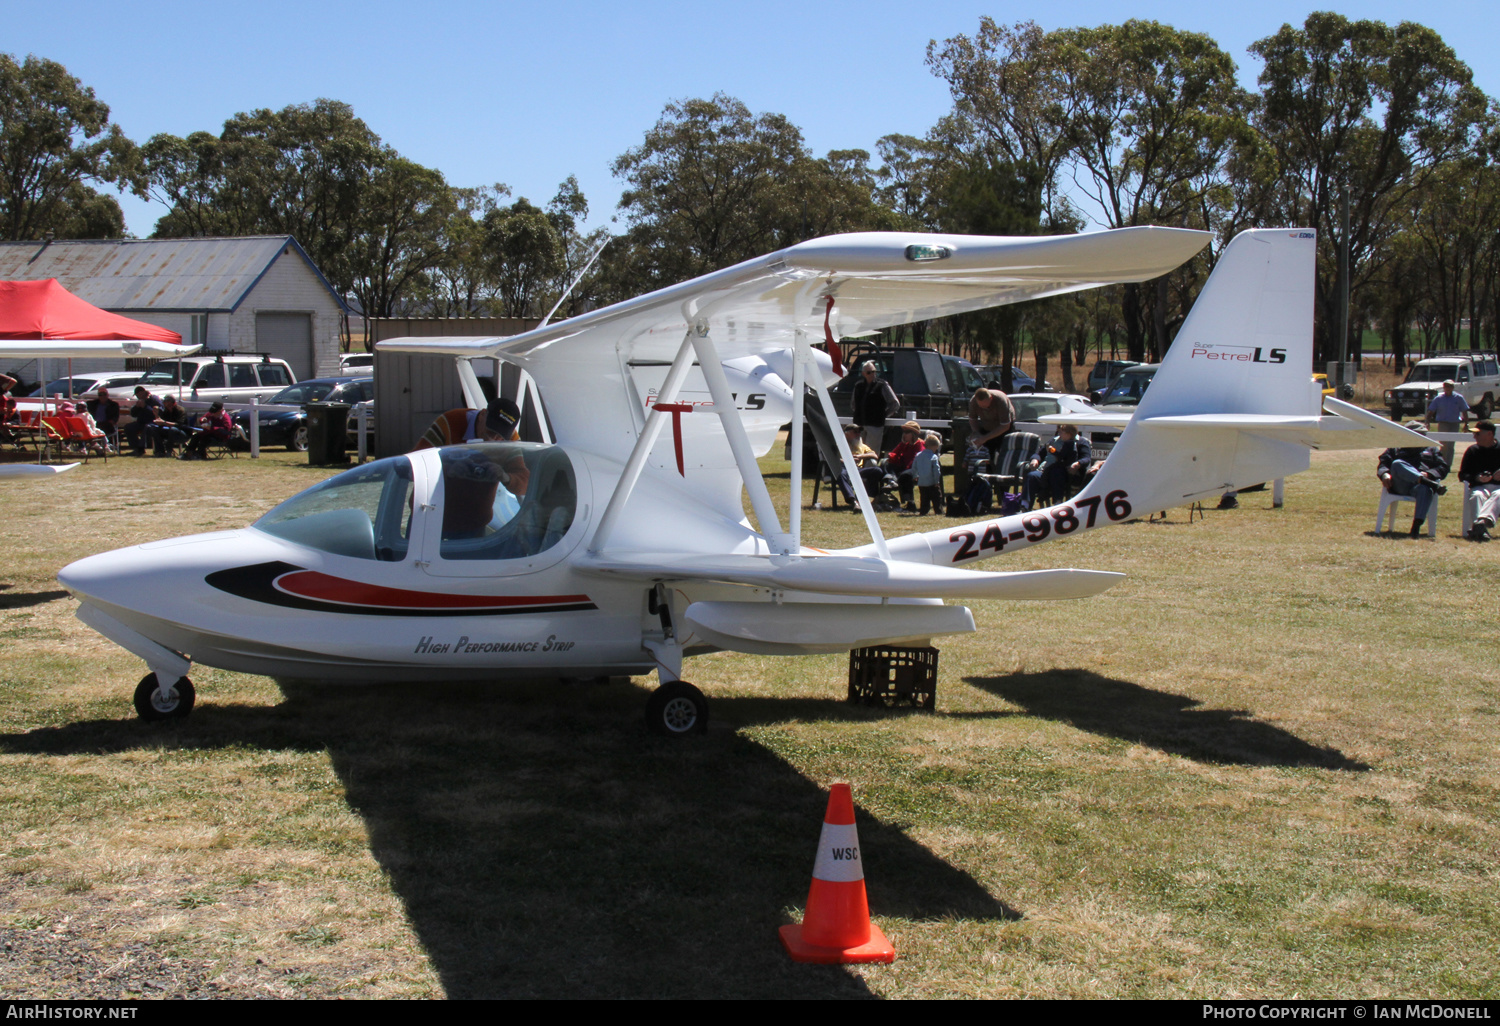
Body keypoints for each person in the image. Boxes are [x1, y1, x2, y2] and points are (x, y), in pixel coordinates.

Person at [1376, 429, 1449, 538]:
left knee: (1425, 488)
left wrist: (1429, 474)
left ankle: (1416, 526)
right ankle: (1431, 484)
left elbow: (1443, 467)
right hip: (1400, 485)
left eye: (1421, 435)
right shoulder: (1396, 449)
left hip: (1419, 487)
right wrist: (1385, 474)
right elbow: (1383, 463)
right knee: (1397, 464)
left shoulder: (1431, 449)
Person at [415, 397, 521, 450]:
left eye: (501, 436)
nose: (494, 438)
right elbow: (417, 460)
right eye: (491, 430)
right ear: (482, 414)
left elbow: (524, 481)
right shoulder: (449, 422)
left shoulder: (512, 439)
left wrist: (505, 477)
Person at [1025, 424, 1092, 510]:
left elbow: (1086, 458)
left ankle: (1057, 503)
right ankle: (1025, 506)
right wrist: (1035, 459)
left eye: (1061, 431)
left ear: (1069, 433)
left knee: (1056, 472)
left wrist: (1078, 463)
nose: (1059, 433)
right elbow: (1040, 453)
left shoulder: (1081, 442)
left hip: (1068, 473)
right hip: (1046, 470)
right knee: (1032, 476)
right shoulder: (1054, 440)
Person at [1457, 419, 1500, 542]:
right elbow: (1462, 475)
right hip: (1480, 487)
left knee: (1498, 494)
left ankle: (1479, 525)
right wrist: (1477, 478)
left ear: (1490, 434)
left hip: (1499, 488)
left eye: (1478, 433)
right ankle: (1481, 528)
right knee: (1477, 496)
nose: (1474, 436)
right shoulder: (1472, 451)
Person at [851, 362, 899, 451]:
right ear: (863, 374)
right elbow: (853, 404)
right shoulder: (858, 385)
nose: (872, 374)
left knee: (871, 452)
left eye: (874, 371)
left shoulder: (882, 385)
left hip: (875, 426)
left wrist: (883, 415)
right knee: (857, 451)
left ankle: (871, 465)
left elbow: (895, 403)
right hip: (859, 425)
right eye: (869, 372)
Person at [837, 422, 884, 507]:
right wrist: (846, 461)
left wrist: (860, 456)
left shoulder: (862, 446)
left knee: (877, 470)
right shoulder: (839, 445)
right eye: (855, 432)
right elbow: (832, 458)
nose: (858, 434)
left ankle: (870, 497)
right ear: (846, 434)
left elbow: (874, 455)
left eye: (859, 432)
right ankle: (852, 500)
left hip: (858, 469)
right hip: (844, 468)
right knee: (840, 474)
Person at [1425, 379, 1471, 464]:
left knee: (1450, 445)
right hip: (1443, 424)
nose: (1448, 388)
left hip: (1454, 424)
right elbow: (1431, 411)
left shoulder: (1459, 398)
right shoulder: (1439, 398)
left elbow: (1464, 411)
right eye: (1446, 386)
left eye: (1450, 386)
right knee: (1443, 445)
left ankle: (1448, 464)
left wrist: (1466, 424)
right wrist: (1427, 422)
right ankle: (1442, 462)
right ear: (1444, 387)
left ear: (1453, 387)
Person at [885, 421, 924, 511]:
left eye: (907, 432)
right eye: (904, 432)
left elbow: (917, 460)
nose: (904, 435)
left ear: (914, 434)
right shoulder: (904, 444)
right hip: (904, 467)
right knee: (888, 465)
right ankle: (892, 481)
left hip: (915, 469)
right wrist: (892, 457)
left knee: (905, 475)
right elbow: (894, 453)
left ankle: (910, 503)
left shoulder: (919, 444)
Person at [968, 387, 1016, 460]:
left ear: (991, 398)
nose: (983, 408)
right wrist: (977, 433)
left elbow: (1005, 426)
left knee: (1004, 452)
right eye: (980, 406)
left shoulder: (1000, 400)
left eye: (985, 405)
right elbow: (972, 419)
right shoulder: (973, 401)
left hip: (1004, 427)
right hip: (987, 425)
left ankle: (1002, 469)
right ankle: (987, 469)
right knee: (987, 452)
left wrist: (985, 438)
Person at [122, 386, 162, 455]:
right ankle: (135, 448)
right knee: (128, 427)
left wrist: (145, 407)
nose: (138, 397)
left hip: (153, 422)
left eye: (139, 394)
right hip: (141, 422)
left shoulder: (154, 399)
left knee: (147, 428)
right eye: (137, 395)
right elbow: (133, 414)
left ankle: (141, 449)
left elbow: (158, 412)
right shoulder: (140, 401)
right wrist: (137, 407)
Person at [912, 432, 944, 515]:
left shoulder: (918, 455)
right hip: (932, 482)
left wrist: (915, 475)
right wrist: (937, 481)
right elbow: (936, 470)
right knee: (936, 497)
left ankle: (923, 511)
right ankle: (938, 510)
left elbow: (914, 466)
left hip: (922, 481)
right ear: (933, 446)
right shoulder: (933, 457)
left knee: (924, 497)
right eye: (936, 448)